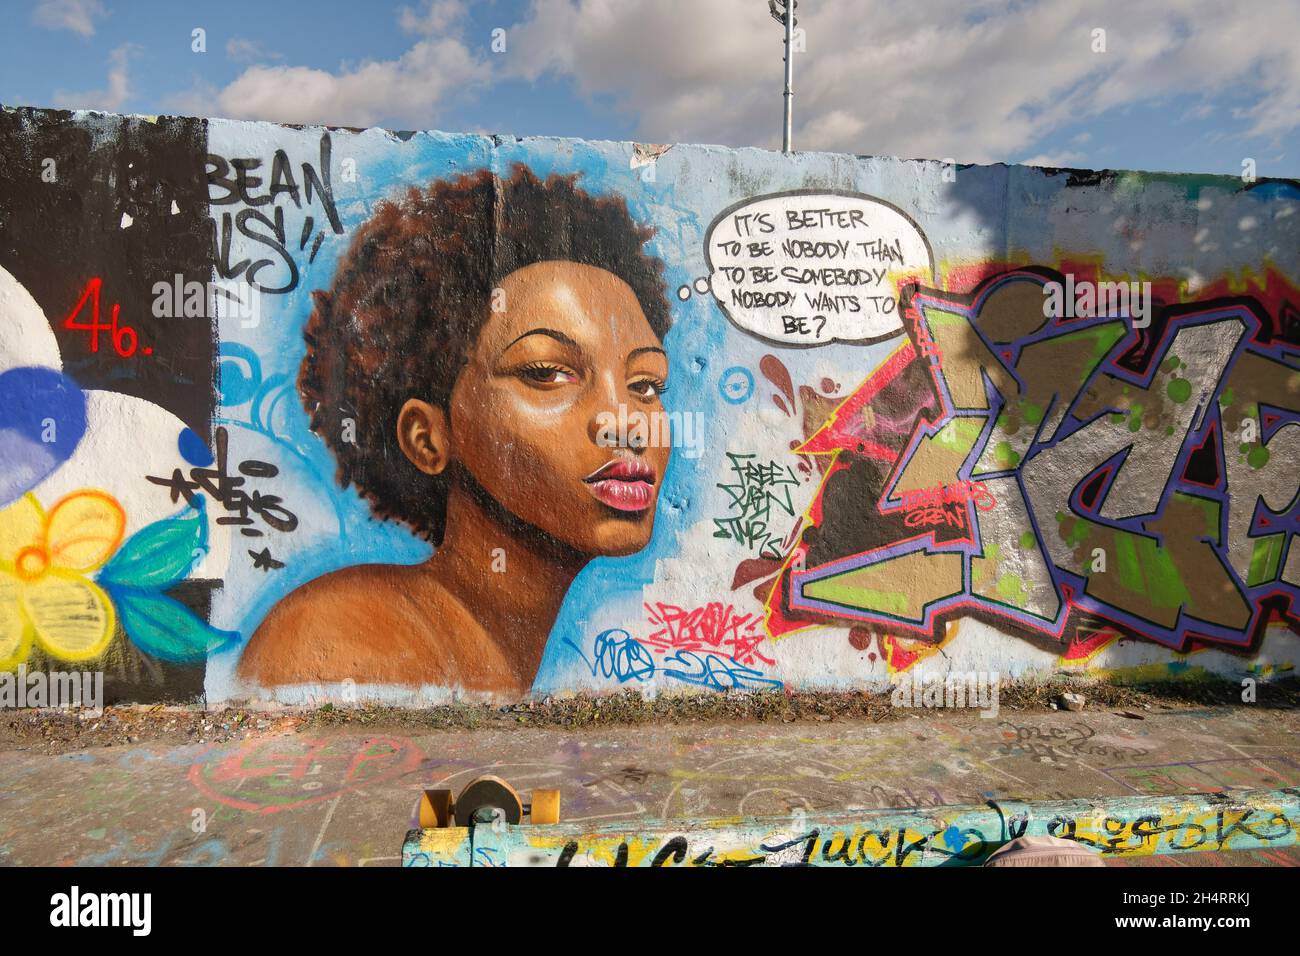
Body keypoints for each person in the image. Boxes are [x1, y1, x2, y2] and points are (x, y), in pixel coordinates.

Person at [238, 164, 673, 695]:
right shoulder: (344, 643)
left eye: (647, 384)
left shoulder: (468, 648)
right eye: (546, 372)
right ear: (428, 437)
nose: (625, 423)